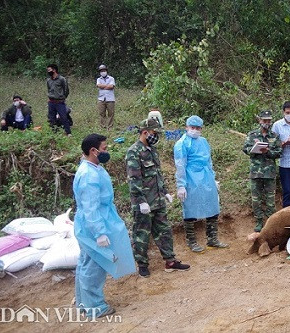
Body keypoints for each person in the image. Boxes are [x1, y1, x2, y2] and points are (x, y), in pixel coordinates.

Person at [73, 133, 136, 318]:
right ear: (94, 151)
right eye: (104, 148)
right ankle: (95, 307)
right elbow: (90, 207)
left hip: (97, 220)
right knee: (95, 266)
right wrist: (99, 233)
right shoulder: (88, 175)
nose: (106, 151)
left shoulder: (93, 168)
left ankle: (84, 302)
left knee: (86, 263)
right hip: (93, 225)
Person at [126, 118, 190, 277]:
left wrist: (166, 192)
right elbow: (134, 179)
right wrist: (141, 201)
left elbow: (157, 175)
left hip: (158, 200)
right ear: (145, 132)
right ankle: (142, 264)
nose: (156, 136)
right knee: (142, 234)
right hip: (144, 203)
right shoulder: (133, 152)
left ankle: (170, 261)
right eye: (154, 133)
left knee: (164, 231)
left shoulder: (153, 150)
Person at [174, 115, 228, 252]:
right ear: (186, 127)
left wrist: (213, 178)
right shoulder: (182, 144)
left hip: (206, 177)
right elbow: (180, 165)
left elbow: (209, 161)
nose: (195, 130)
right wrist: (181, 185)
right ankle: (191, 241)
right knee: (190, 209)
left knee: (213, 207)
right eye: (193, 127)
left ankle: (212, 239)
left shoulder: (203, 141)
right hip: (191, 178)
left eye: (198, 128)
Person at [242, 110, 282, 232]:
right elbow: (245, 149)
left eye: (269, 120)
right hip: (256, 172)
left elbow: (279, 152)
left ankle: (270, 222)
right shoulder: (252, 134)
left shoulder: (274, 136)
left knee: (270, 200)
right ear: (260, 120)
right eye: (265, 120)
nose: (267, 123)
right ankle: (259, 221)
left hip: (269, 172)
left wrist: (268, 152)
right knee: (256, 199)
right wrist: (254, 149)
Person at [46, 64, 71, 136]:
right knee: (51, 118)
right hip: (51, 102)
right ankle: (54, 133)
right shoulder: (48, 80)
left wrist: (62, 97)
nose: (48, 72)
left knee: (63, 117)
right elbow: (49, 90)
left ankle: (68, 132)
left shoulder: (62, 79)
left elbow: (66, 90)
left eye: (49, 70)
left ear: (54, 70)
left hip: (60, 102)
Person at [96, 64, 116, 130]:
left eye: (104, 70)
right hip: (101, 99)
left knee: (111, 113)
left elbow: (111, 86)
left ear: (106, 71)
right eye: (101, 71)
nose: (103, 72)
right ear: (100, 72)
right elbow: (99, 85)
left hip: (110, 99)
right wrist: (107, 86)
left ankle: (110, 127)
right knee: (101, 113)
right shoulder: (98, 79)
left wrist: (103, 86)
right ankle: (103, 126)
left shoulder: (111, 78)